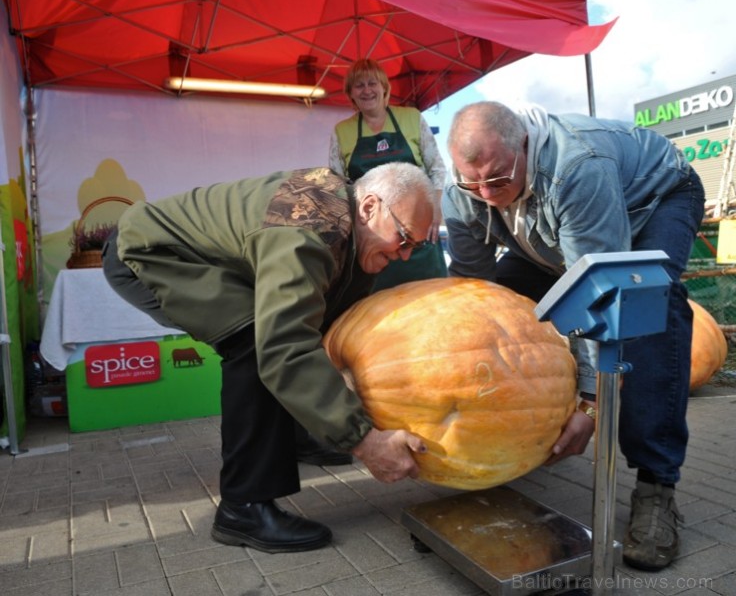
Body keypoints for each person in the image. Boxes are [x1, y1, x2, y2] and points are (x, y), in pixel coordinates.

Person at [102, 162, 434, 554]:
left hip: (206, 258)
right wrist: (363, 440)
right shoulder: (308, 229)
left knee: (290, 326)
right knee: (254, 339)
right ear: (369, 207)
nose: (405, 254)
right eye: (404, 237)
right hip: (150, 251)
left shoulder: (351, 227)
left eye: (417, 245)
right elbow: (285, 347)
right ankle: (243, 506)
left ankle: (298, 438)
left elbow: (324, 323)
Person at [442, 101, 705, 572]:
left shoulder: (577, 167)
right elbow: (472, 294)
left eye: (498, 179)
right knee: (504, 300)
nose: (485, 194)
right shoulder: (464, 190)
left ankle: (656, 487)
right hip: (553, 232)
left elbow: (597, 296)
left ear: (524, 144)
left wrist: (590, 402)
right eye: (472, 182)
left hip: (654, 203)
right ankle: (523, 431)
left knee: (646, 316)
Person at [329, 58, 448, 291]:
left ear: (384, 87)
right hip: (373, 239)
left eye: (372, 83)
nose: (366, 90)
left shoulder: (412, 118)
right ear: (350, 93)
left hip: (418, 233)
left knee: (432, 299)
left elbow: (437, 168)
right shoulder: (341, 131)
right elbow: (336, 185)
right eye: (359, 85)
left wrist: (434, 210)